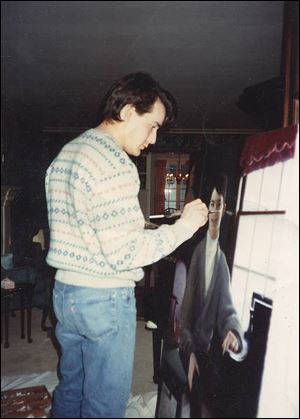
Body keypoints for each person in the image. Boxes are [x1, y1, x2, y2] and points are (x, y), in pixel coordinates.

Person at [45, 71, 208, 418]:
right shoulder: (115, 163)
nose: (153, 138)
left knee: (72, 388)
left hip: (66, 293)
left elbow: (87, 228)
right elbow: (126, 254)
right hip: (103, 298)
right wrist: (184, 227)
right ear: (130, 110)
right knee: (105, 405)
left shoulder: (68, 152)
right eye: (153, 125)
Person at [180, 173, 246, 417]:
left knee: (232, 392)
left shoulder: (220, 259)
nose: (215, 211)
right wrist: (190, 353)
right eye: (210, 205)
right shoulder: (193, 252)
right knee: (208, 391)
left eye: (218, 204)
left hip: (206, 350)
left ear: (224, 207)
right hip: (187, 344)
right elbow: (182, 317)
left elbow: (227, 310)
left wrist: (233, 332)